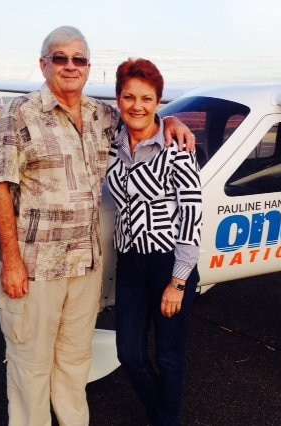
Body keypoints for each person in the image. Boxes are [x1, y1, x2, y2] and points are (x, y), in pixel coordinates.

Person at [0, 26, 194, 426]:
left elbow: (143, 113)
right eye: (60, 58)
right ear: (43, 63)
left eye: (78, 59)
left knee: (74, 359)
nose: (70, 66)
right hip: (37, 266)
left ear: (87, 67)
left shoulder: (103, 116)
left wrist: (172, 121)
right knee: (30, 361)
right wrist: (11, 260)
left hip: (85, 266)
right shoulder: (19, 115)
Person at [106, 58, 202, 426]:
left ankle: (166, 421)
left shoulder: (176, 147)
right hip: (130, 262)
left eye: (147, 98)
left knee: (168, 356)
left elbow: (192, 213)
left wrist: (178, 281)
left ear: (159, 102)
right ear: (118, 99)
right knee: (129, 353)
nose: (137, 106)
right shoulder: (112, 144)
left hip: (169, 264)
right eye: (129, 97)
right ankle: (160, 413)